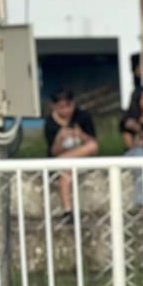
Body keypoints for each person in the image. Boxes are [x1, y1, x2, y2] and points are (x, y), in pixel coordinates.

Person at [44, 88, 98, 219]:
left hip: (82, 158)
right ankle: (67, 210)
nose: (66, 111)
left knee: (91, 146)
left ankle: (63, 160)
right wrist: (59, 139)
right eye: (61, 107)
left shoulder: (83, 117)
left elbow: (93, 145)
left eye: (68, 106)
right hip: (63, 161)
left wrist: (81, 135)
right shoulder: (50, 123)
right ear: (54, 106)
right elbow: (53, 151)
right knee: (66, 170)